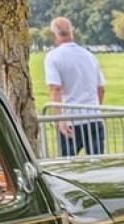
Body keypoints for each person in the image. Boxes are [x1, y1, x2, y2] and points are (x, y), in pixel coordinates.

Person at [44, 17, 106, 156]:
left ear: (54, 35)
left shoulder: (53, 57)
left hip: (71, 119)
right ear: (72, 32)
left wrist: (59, 119)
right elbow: (100, 89)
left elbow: (55, 89)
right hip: (93, 118)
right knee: (97, 166)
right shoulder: (90, 56)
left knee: (68, 166)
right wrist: (96, 109)